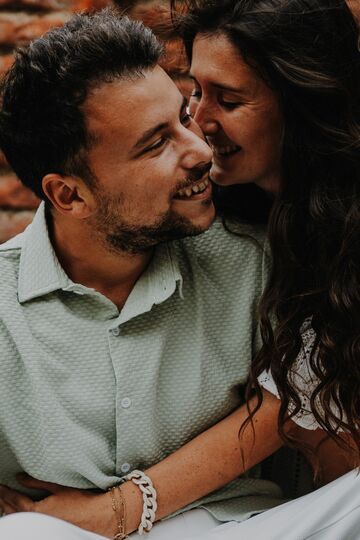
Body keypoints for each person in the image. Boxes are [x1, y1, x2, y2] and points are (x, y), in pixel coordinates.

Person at [1, 0, 360, 538]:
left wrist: (122, 509)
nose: (199, 145)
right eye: (157, 141)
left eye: (226, 100)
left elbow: (291, 407)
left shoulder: (267, 256)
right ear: (68, 194)